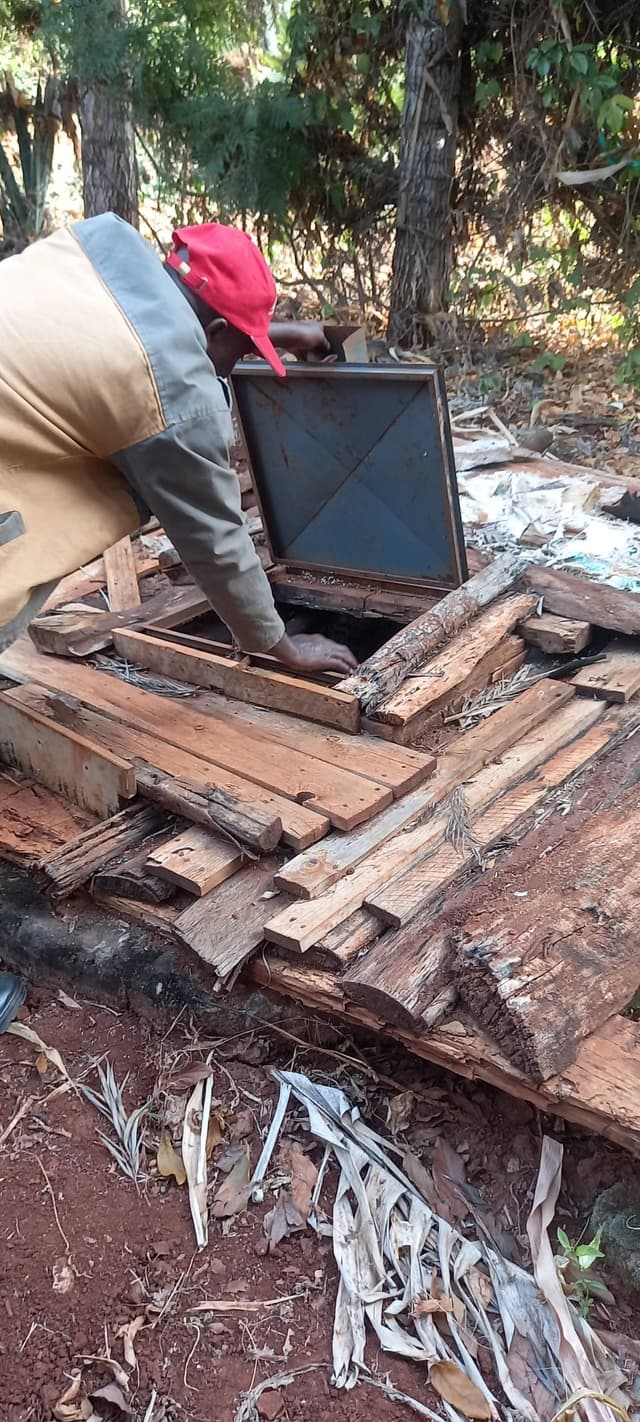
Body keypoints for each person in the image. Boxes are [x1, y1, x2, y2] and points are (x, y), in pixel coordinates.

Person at [0, 213, 357, 674]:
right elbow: (215, 541)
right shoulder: (174, 396)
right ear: (216, 331)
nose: (230, 368)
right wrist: (281, 645)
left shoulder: (95, 248)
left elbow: (160, 331)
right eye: (241, 348)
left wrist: (261, 334)